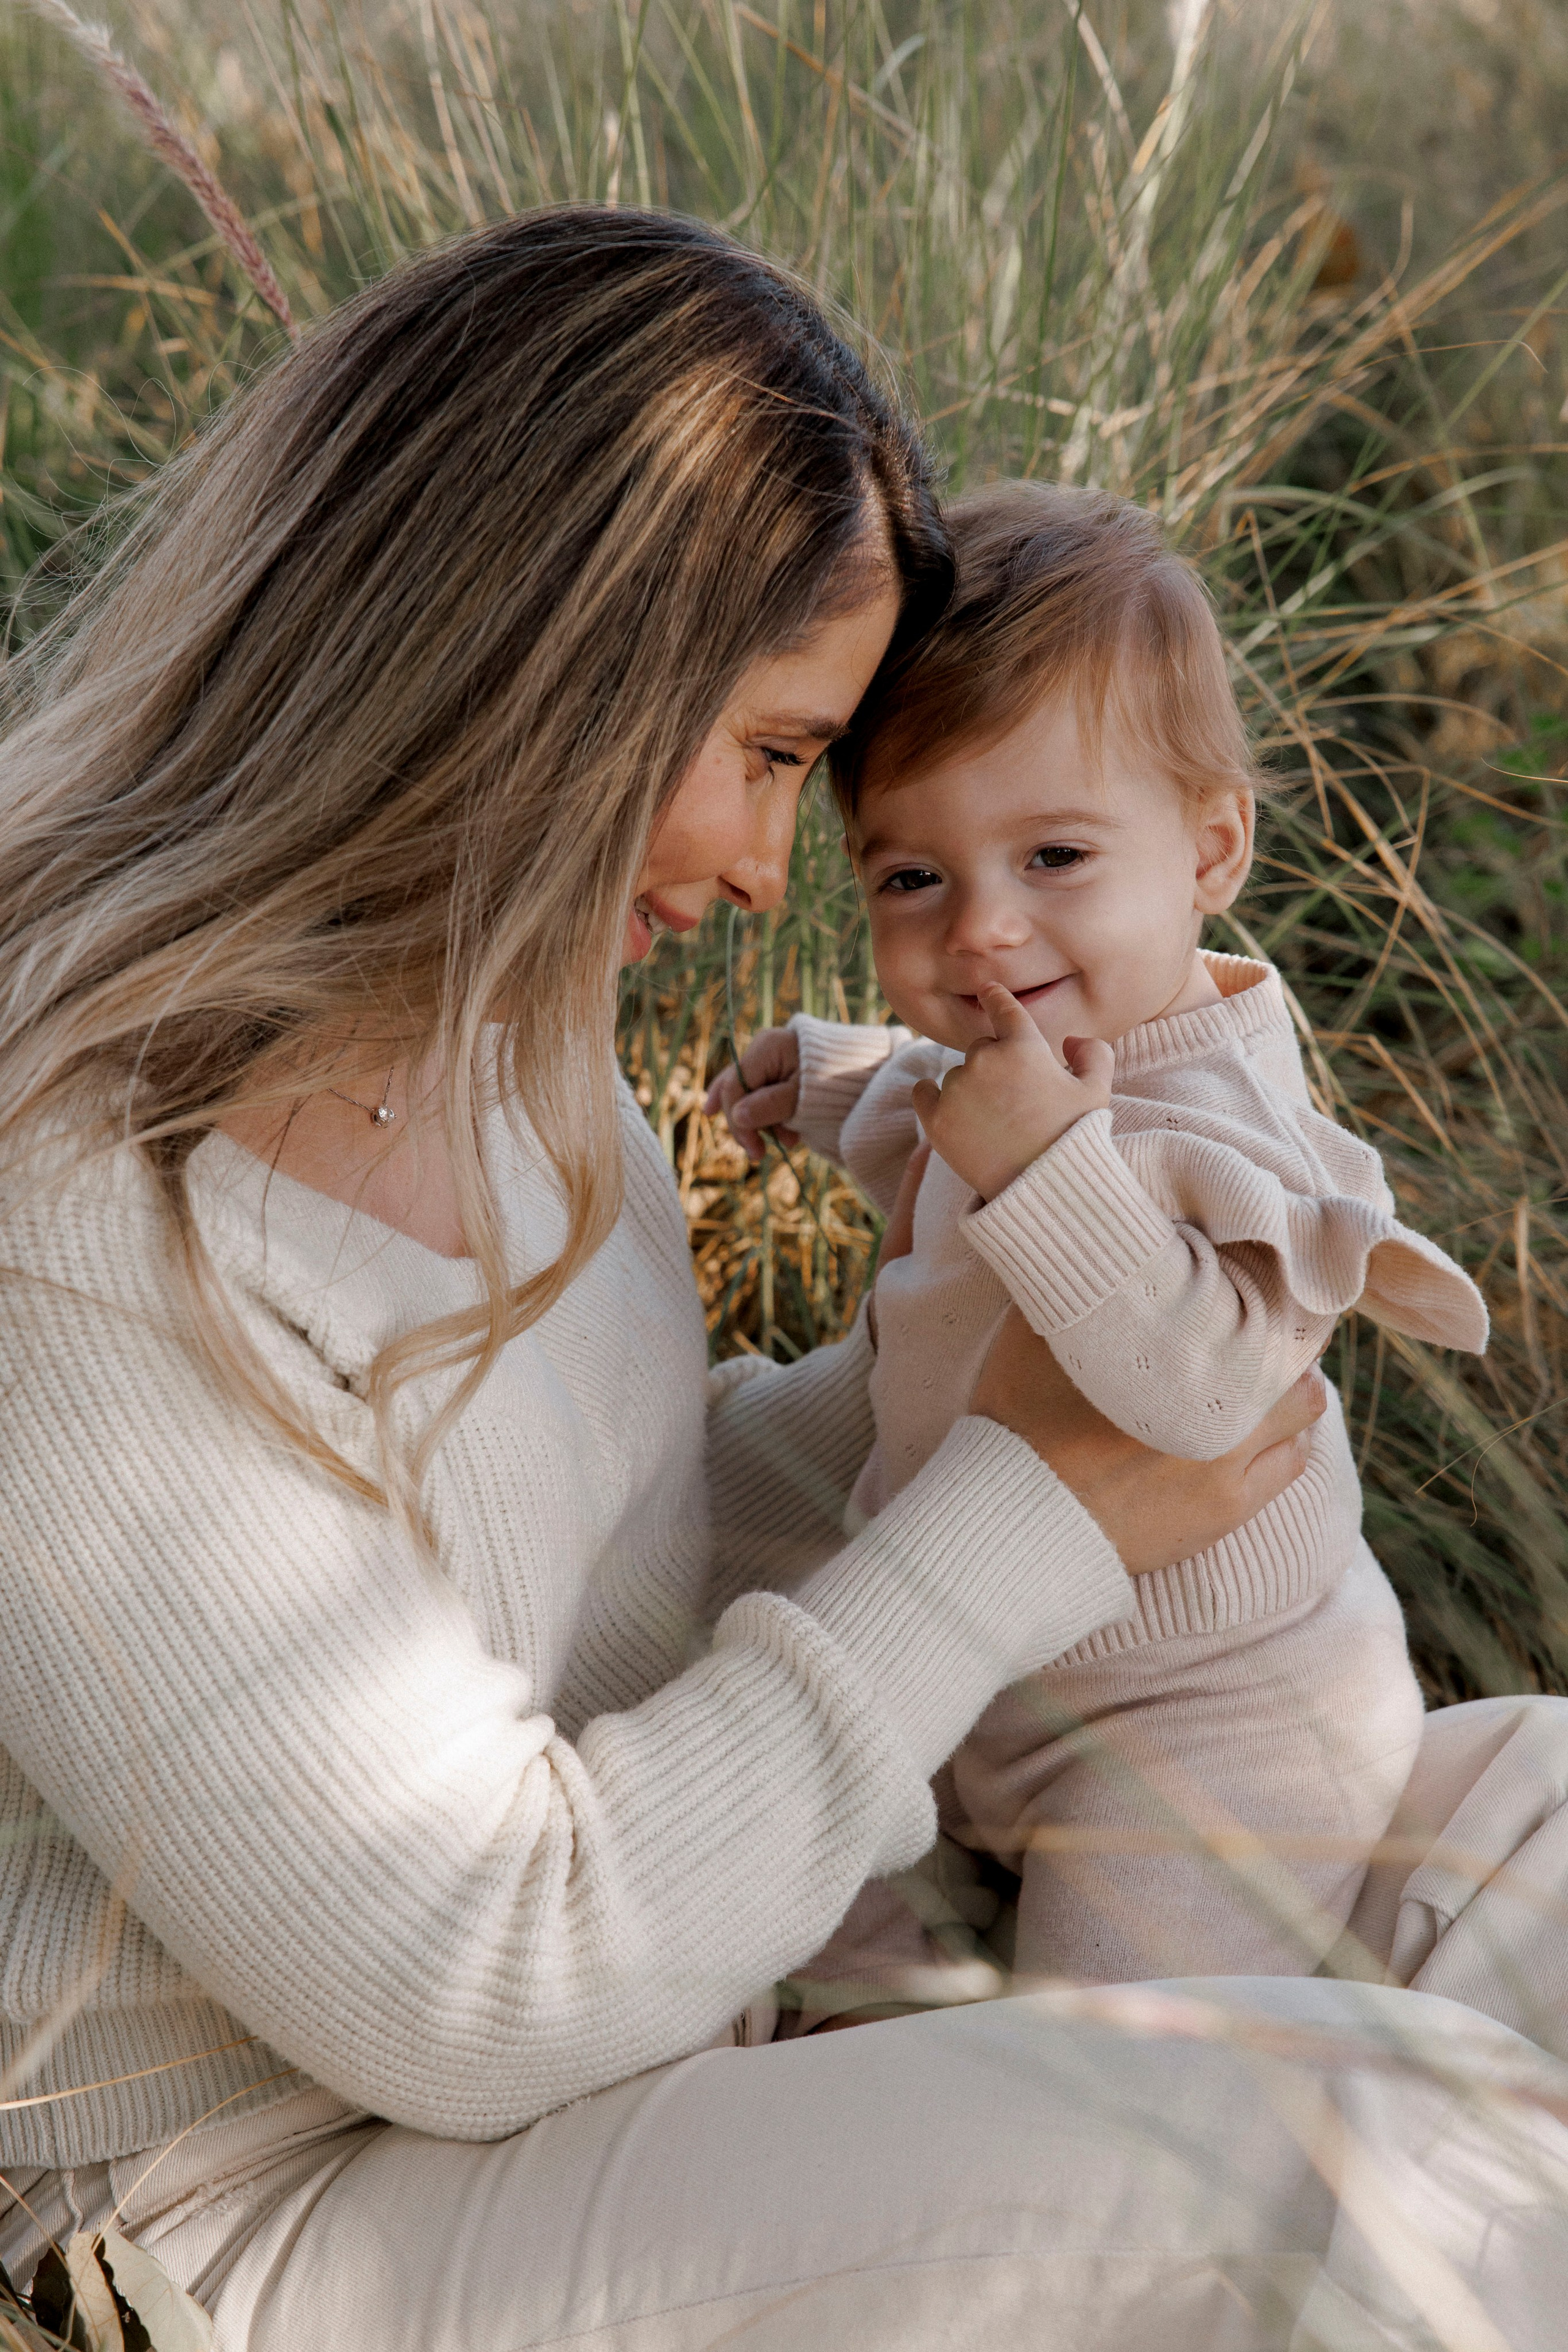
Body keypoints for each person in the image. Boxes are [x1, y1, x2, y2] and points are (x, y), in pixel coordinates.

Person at [0, 206, 1564, 2351]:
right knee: (1386, 2173)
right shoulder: (64, 1208)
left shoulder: (509, 1047)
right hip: (289, 2195)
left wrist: (988, 1405)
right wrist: (1043, 1501)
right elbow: (471, 1985)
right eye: (767, 757)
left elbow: (612, 1525)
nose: (766, 876)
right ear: (537, 660)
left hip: (684, 1975)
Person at [708, 480, 1488, 2003]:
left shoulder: (1214, 1114)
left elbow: (1203, 1395)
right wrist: (830, 1078)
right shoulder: (1016, 1061)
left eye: (1053, 860)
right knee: (804, 1926)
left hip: (1211, 1724)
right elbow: (938, 1120)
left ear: (1207, 854)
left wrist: (1048, 1169)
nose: (982, 932)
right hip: (1005, 1669)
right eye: (911, 879)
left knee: (1108, 2061)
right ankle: (861, 2055)